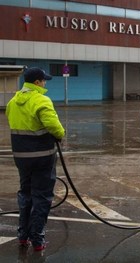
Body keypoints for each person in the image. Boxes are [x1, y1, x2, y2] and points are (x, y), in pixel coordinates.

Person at [6, 67, 65, 251]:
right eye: (44, 80)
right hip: (42, 158)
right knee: (41, 197)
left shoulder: (13, 102)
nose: (45, 83)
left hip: (22, 158)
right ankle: (38, 240)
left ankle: (23, 236)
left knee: (26, 194)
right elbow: (54, 126)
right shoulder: (41, 100)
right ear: (38, 82)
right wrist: (60, 134)